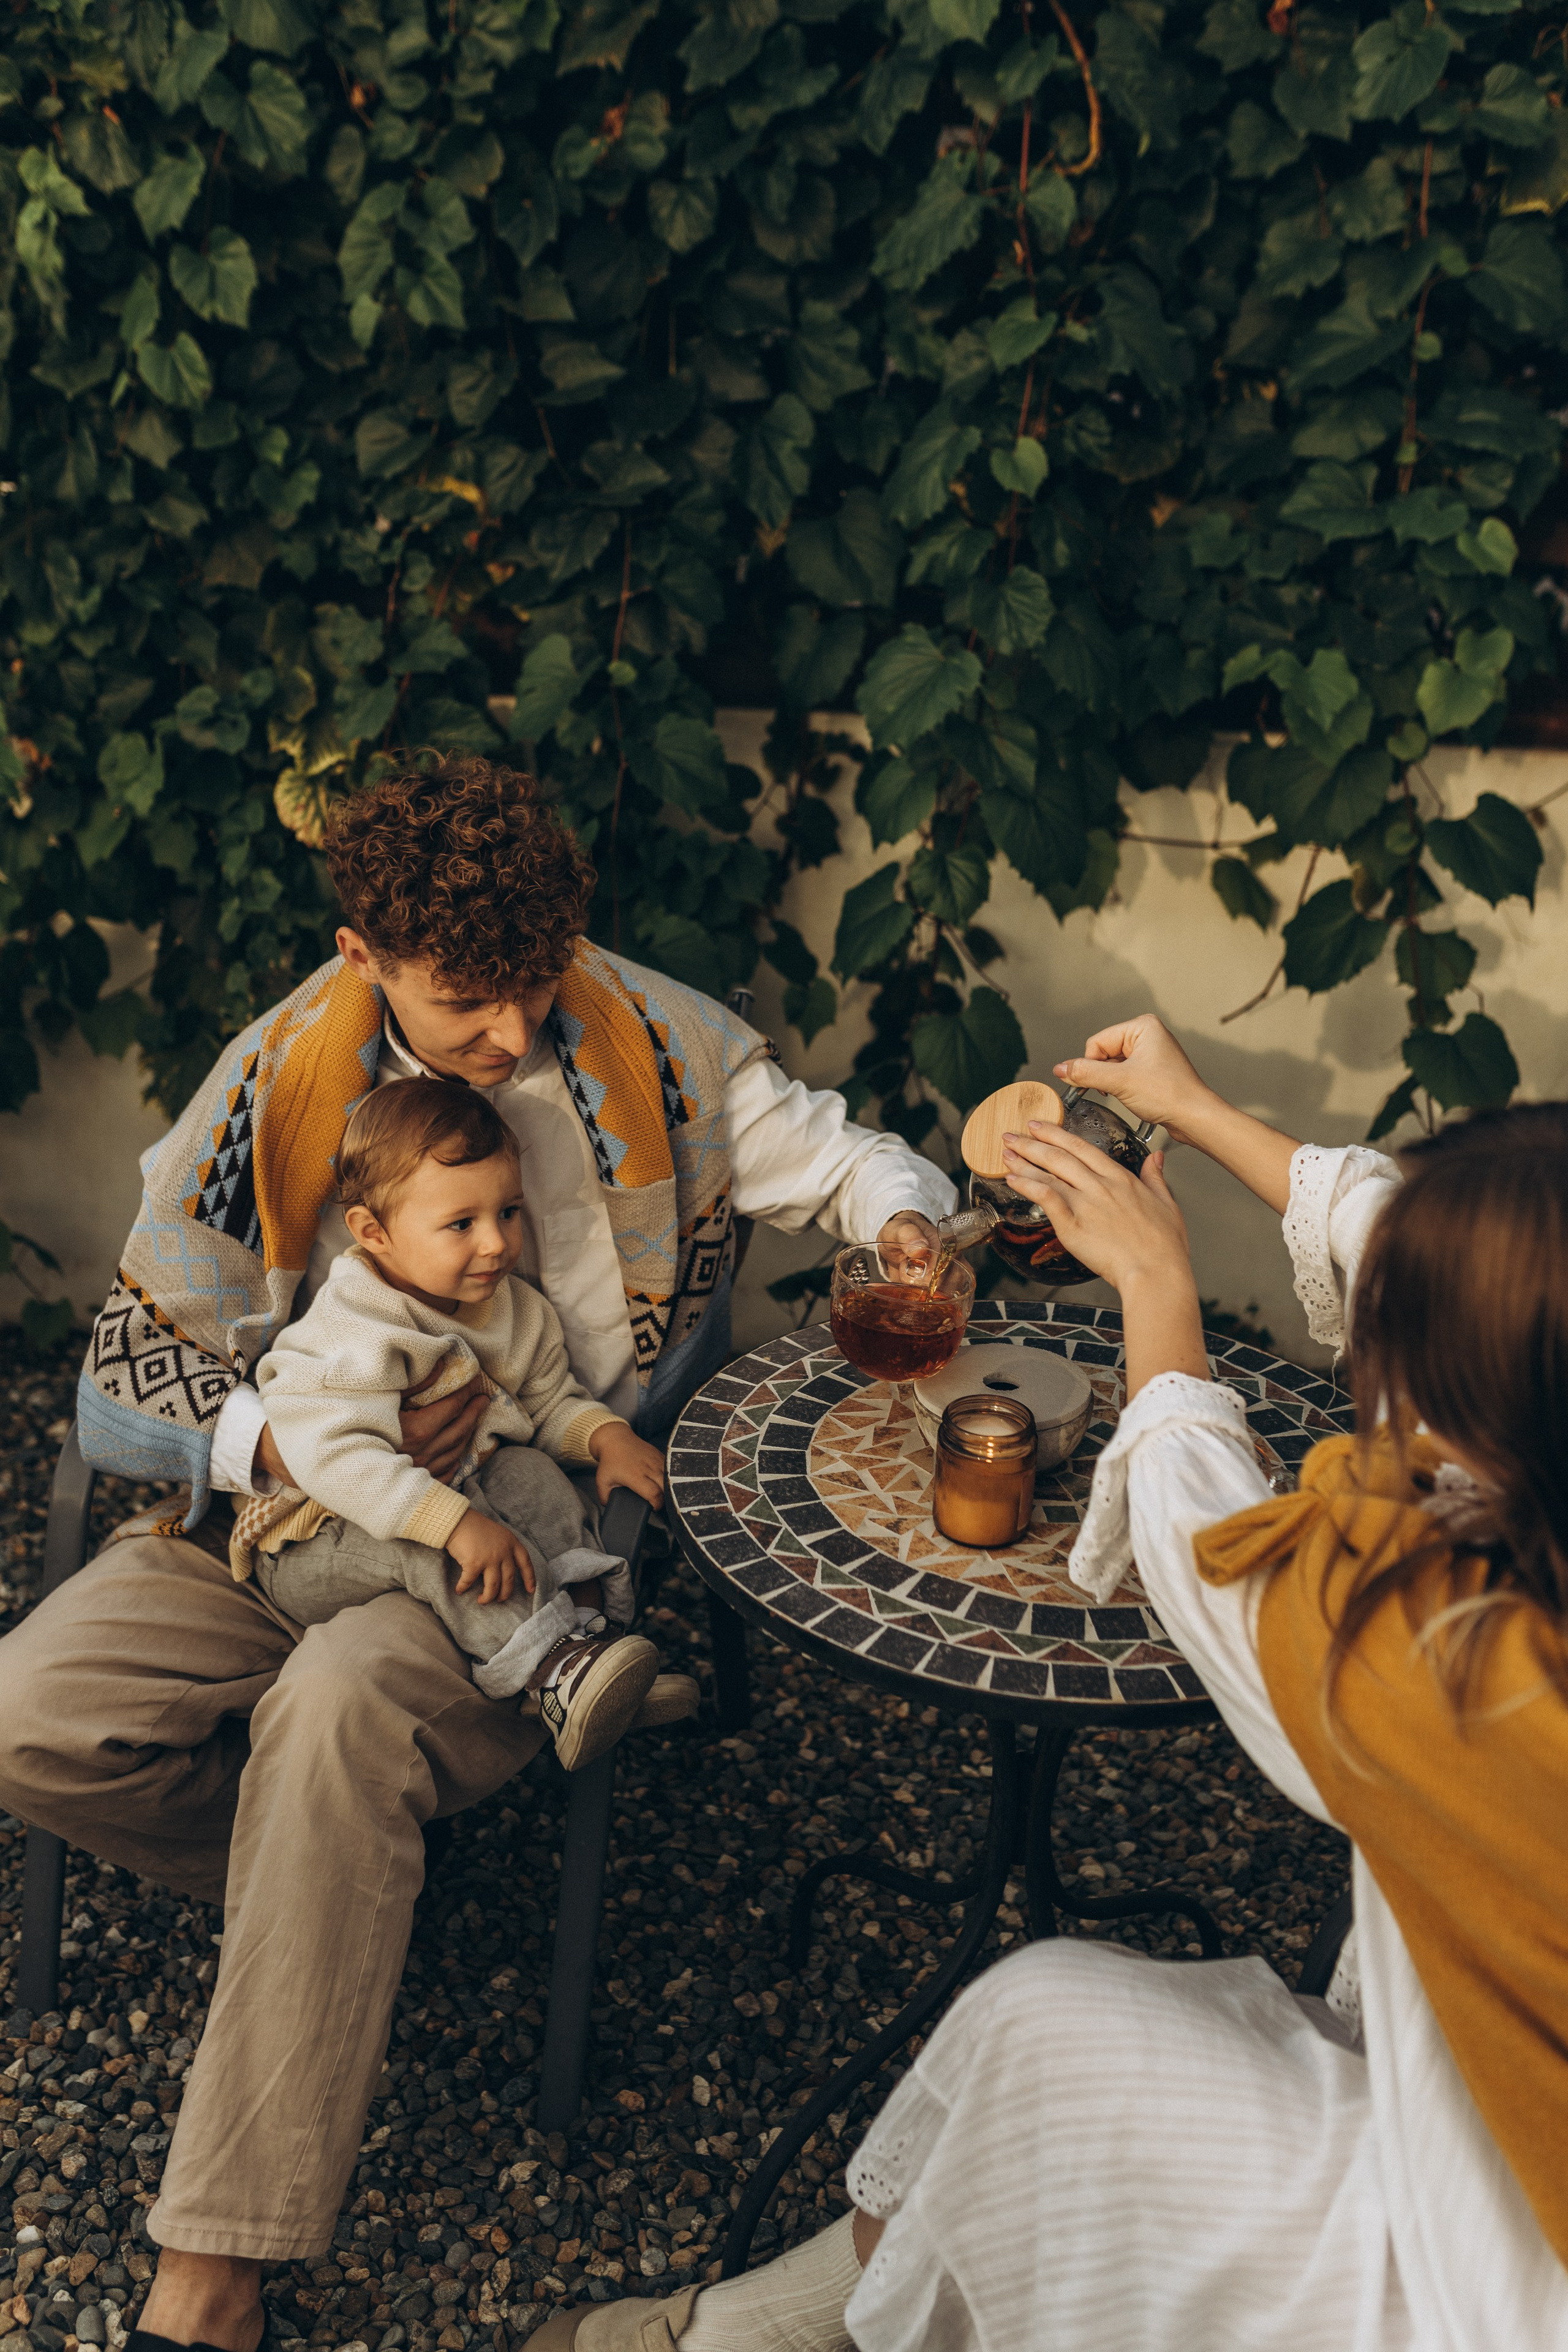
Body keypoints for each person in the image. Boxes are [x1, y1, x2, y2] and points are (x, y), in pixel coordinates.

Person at [0, 756, 956, 2352]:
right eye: (473, 1006)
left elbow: (841, 1160)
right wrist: (286, 1449)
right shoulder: (274, 1078)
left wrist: (905, 1219)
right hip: (273, 1521)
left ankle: (211, 2279)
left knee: (336, 1716)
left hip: (504, 1552)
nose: (518, 1033)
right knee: (28, 1709)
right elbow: (121, 1380)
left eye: (537, 985)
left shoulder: (654, 1040)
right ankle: (339, 1890)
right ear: (365, 952)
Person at [567, 1013, 1568, 2352]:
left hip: (1486, 2256)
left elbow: (1213, 1564)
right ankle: (782, 2324)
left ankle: (744, 2337)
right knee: (1030, 2017)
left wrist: (1158, 1287)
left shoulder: (1471, 1662)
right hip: (1499, 2087)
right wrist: (1192, 1109)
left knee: (1039, 2029)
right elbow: (1423, 1245)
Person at [242, 1077, 670, 1771]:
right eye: (461, 1225)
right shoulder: (354, 1326)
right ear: (374, 1232)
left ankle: (590, 1643)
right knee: (440, 1548)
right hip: (316, 1536)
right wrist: (456, 1524)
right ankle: (551, 1677)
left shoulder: (513, 1309)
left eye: (508, 1212)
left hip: (453, 1487)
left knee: (529, 1471)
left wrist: (602, 1435)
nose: (497, 1244)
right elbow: (330, 1457)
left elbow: (546, 1400)